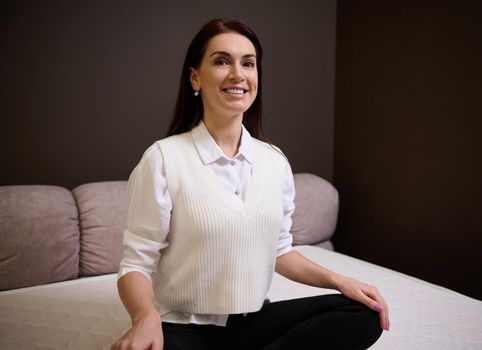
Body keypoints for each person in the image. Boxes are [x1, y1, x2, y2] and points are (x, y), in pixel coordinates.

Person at [111, 18, 389, 350]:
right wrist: (145, 317)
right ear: (195, 78)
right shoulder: (163, 160)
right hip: (184, 328)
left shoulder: (274, 161)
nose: (238, 74)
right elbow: (136, 263)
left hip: (253, 323)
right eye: (221, 61)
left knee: (363, 313)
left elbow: (280, 251)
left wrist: (340, 281)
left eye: (248, 63)